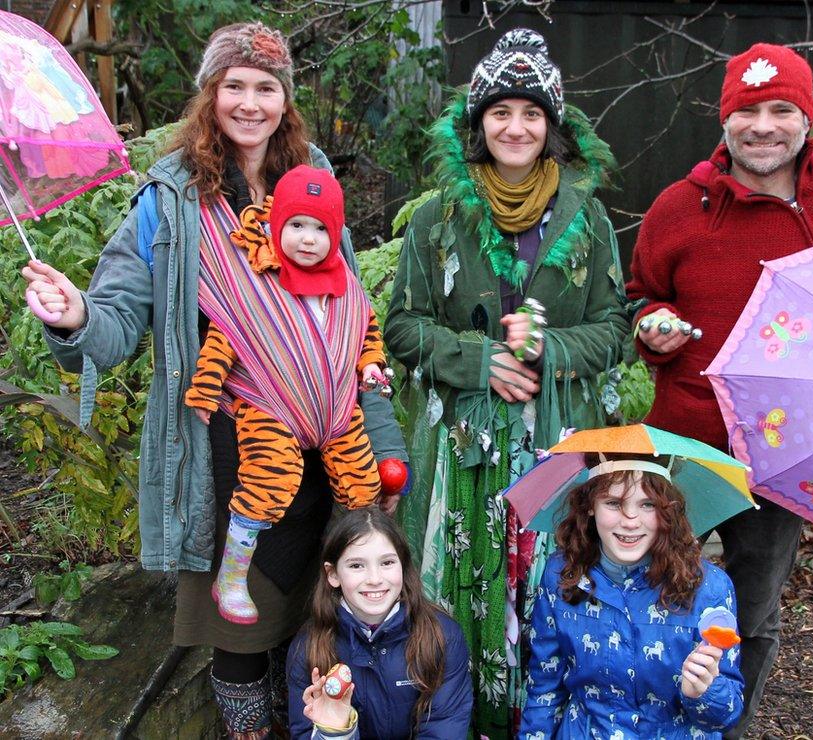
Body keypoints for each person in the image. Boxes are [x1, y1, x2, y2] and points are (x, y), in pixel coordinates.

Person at [21, 22, 407, 738]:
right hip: (231, 453)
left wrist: (385, 445)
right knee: (237, 639)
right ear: (210, 94)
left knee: (326, 629)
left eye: (266, 87)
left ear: (285, 101)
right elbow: (112, 325)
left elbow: (354, 325)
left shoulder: (312, 184)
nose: (250, 102)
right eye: (234, 85)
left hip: (327, 449)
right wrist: (72, 315)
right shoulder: (170, 203)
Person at [626, 43, 813, 738]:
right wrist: (653, 328)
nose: (762, 126)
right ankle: (637, 715)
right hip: (685, 439)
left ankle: (728, 724)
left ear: (806, 119)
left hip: (790, 456)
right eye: (747, 112)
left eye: (780, 110)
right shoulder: (680, 207)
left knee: (753, 606)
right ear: (725, 119)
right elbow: (643, 296)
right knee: (640, 585)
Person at [384, 27, 629, 736]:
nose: (515, 127)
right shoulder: (435, 220)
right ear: (477, 125)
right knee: (463, 591)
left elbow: (615, 330)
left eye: (530, 113)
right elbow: (402, 324)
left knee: (553, 585)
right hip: (463, 446)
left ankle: (548, 719)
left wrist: (550, 349)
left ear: (551, 126)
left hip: (558, 442)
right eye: (500, 112)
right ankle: (462, 718)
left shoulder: (589, 223)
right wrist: (475, 357)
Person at [183, 164, 397, 625]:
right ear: (276, 226)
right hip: (272, 408)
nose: (307, 238)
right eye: (296, 225)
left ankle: (358, 571)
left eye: (320, 228)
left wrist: (371, 365)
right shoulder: (256, 283)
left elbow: (366, 331)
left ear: (335, 234)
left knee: (364, 487)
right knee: (268, 485)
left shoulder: (345, 287)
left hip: (337, 411)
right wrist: (205, 389)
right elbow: (225, 337)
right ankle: (233, 576)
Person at [521, 452, 744, 738]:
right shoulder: (562, 575)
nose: (630, 520)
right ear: (590, 506)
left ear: (667, 510)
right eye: (613, 503)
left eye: (647, 504)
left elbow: (726, 716)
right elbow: (545, 684)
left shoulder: (708, 587)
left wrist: (704, 692)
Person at [286, 507, 473, 739]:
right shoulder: (308, 648)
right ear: (332, 574)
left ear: (403, 566)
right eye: (356, 565)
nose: (375, 579)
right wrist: (335, 733)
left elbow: (445, 727)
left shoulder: (442, 636)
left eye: (386, 563)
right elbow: (303, 732)